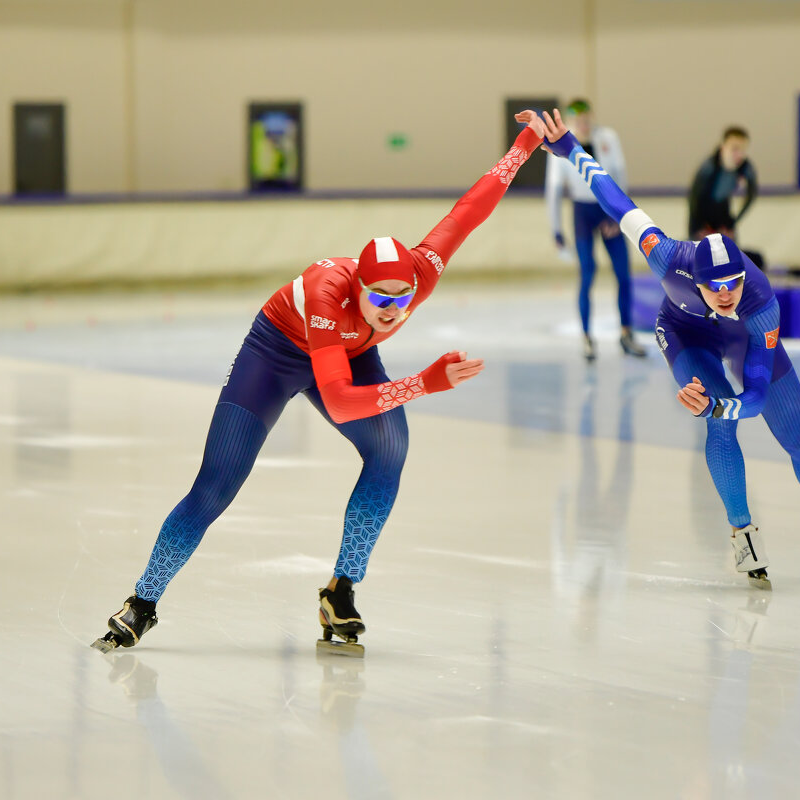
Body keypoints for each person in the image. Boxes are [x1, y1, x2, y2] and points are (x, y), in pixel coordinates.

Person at [91, 111, 552, 653]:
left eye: (402, 299)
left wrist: (524, 145)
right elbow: (340, 400)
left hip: (350, 354)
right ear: (358, 287)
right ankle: (143, 601)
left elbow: (469, 211)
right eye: (380, 298)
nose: (392, 310)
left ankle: (341, 590)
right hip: (277, 353)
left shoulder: (420, 271)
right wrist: (424, 384)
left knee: (390, 450)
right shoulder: (328, 294)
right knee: (216, 486)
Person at [540, 109, 800, 585]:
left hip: (745, 337)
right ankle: (742, 531)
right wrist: (570, 150)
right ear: (695, 280)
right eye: (715, 287)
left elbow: (758, 396)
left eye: (733, 284)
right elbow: (618, 202)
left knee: (796, 435)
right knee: (719, 425)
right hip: (685, 333)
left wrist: (725, 405)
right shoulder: (667, 256)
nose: (726, 295)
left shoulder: (761, 302)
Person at [544, 98, 646, 361]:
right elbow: (553, 189)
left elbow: (620, 175)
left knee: (623, 274)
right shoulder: (560, 142)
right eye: (578, 120)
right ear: (570, 121)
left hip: (608, 208)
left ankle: (626, 333)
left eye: (587, 119)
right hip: (583, 213)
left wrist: (620, 216)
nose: (584, 124)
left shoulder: (607, 137)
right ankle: (587, 337)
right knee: (587, 273)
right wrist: (556, 230)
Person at [688, 126, 757, 242]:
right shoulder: (708, 167)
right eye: (735, 149)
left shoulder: (745, 167)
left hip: (724, 212)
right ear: (723, 147)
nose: (739, 155)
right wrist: (699, 227)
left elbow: (752, 195)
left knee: (731, 248)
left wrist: (735, 220)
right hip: (702, 214)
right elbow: (694, 199)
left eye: (743, 150)